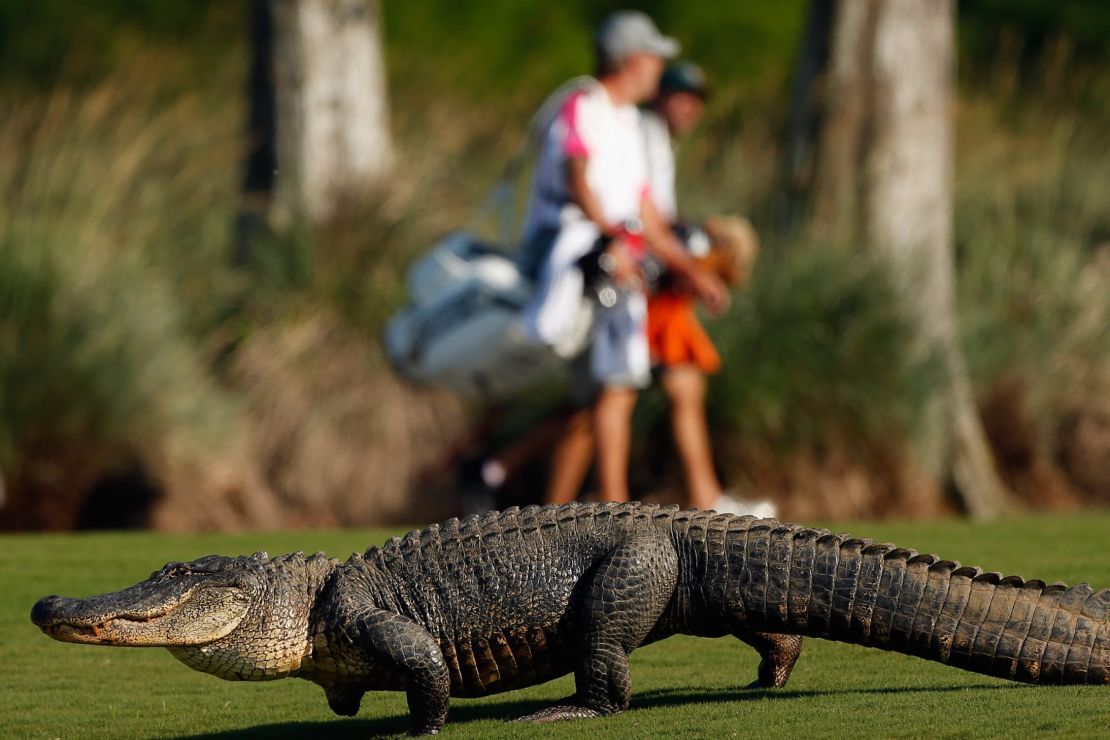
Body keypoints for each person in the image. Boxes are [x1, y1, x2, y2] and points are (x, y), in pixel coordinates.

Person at [518, 12, 728, 504]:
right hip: (574, 253)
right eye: (655, 56)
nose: (659, 68)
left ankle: (603, 506)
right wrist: (612, 237)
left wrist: (691, 272)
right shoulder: (582, 104)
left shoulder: (632, 123)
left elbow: (646, 214)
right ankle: (606, 504)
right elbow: (578, 177)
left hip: (619, 262)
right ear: (633, 59)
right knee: (608, 387)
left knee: (617, 387)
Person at [641, 62, 775, 518]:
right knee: (603, 400)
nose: (691, 108)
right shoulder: (640, 135)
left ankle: (706, 497)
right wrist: (698, 262)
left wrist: (700, 232)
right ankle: (703, 499)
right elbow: (643, 220)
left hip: (654, 285)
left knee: (675, 386)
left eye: (696, 99)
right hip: (634, 284)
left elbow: (656, 217)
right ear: (659, 95)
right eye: (682, 96)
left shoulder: (658, 142)